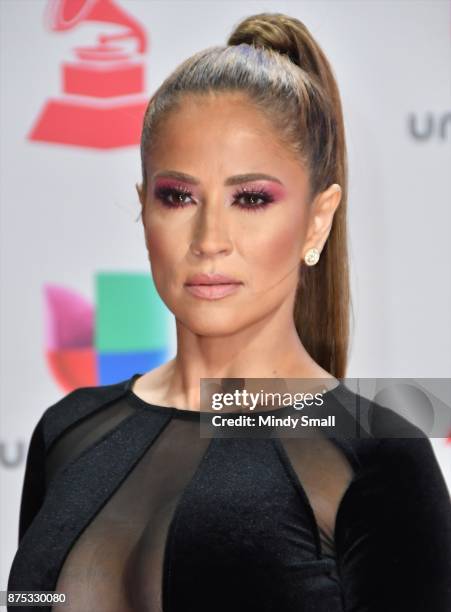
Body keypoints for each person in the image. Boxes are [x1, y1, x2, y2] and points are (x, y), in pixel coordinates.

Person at [7, 12, 451, 612]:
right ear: (145, 210)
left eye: (250, 198)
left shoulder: (377, 453)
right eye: (178, 196)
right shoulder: (65, 433)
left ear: (318, 219)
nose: (209, 237)